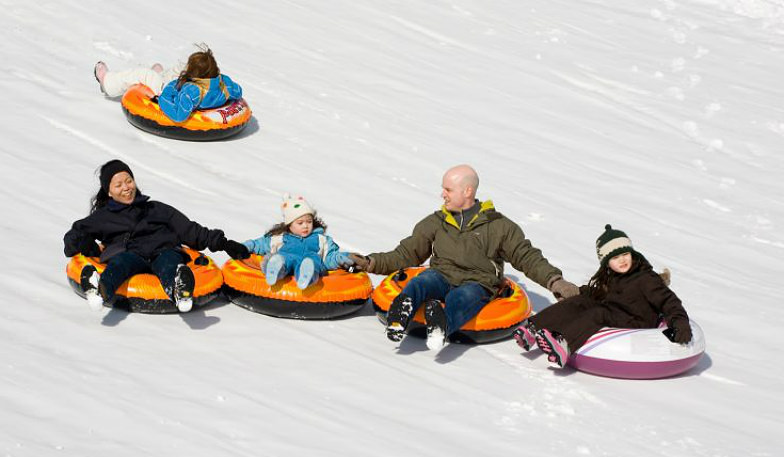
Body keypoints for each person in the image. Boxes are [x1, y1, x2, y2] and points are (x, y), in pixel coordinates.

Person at [349, 164, 579, 351]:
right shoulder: (436, 222)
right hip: (441, 275)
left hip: (478, 282)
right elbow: (407, 252)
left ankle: (440, 325)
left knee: (464, 297)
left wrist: (555, 282)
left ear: (467, 191)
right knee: (422, 281)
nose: (442, 194)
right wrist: (371, 262)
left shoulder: (499, 227)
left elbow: (526, 256)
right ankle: (400, 314)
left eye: (448, 189)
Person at [63, 159, 250, 313]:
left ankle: (179, 289)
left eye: (129, 181)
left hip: (164, 250)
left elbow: (190, 230)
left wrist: (224, 244)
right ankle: (100, 289)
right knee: (120, 264)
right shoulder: (103, 218)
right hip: (130, 253)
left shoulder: (155, 208)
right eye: (118, 185)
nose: (126, 187)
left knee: (168, 263)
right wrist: (80, 244)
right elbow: (77, 231)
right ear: (109, 192)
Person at [513, 224, 692, 368]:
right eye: (615, 258)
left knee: (598, 312)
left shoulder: (645, 278)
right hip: (618, 313)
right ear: (606, 263)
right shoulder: (612, 277)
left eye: (625, 254)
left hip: (638, 321)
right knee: (580, 302)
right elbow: (598, 292)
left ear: (632, 254)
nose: (622, 260)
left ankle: (565, 345)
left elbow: (669, 302)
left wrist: (680, 323)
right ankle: (533, 328)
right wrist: (578, 292)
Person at [93, 45, 242, 123]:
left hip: (167, 90)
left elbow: (178, 114)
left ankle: (108, 83)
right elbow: (238, 91)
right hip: (188, 85)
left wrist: (164, 98)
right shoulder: (225, 83)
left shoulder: (192, 92)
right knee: (174, 72)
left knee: (143, 74)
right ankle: (162, 75)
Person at [242, 194, 353, 289]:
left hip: (310, 260)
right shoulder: (281, 237)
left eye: (309, 222)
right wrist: (247, 246)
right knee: (284, 258)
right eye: (300, 223)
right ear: (290, 225)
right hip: (287, 257)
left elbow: (329, 257)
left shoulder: (321, 239)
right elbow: (261, 244)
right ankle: (275, 269)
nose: (305, 226)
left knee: (313, 261)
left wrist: (340, 258)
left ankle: (307, 275)